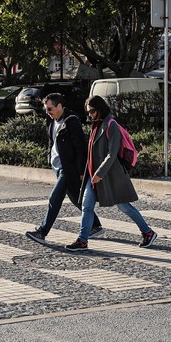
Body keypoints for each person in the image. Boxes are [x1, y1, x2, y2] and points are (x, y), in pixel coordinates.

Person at [66, 94, 158, 251]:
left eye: (93, 111)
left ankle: (147, 232)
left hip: (110, 175)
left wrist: (99, 173)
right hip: (93, 174)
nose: (91, 114)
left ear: (101, 108)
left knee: (124, 206)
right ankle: (82, 240)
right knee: (86, 206)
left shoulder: (111, 124)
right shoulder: (96, 125)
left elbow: (112, 153)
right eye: (88, 112)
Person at [26, 93, 103, 243]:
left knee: (54, 199)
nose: (47, 112)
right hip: (58, 167)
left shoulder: (72, 121)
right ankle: (95, 225)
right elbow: (51, 140)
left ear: (60, 106)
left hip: (69, 168)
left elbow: (81, 148)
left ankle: (42, 232)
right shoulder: (50, 119)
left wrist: (81, 171)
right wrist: (50, 158)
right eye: (46, 109)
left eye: (50, 108)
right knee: (76, 198)